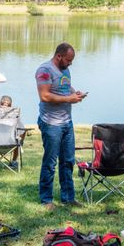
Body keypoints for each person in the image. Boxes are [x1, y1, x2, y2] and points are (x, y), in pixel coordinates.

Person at [35, 42, 87, 211]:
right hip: (51, 123)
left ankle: (68, 198)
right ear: (59, 56)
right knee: (50, 162)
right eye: (68, 60)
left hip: (66, 122)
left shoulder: (65, 69)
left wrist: (74, 93)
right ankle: (46, 199)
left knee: (68, 161)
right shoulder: (44, 71)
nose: (70, 63)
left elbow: (65, 86)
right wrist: (68, 99)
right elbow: (44, 96)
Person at [0, 95, 27, 168]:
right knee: (20, 137)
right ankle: (14, 161)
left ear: (0, 103)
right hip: (10, 145)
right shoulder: (14, 116)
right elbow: (22, 130)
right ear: (11, 105)